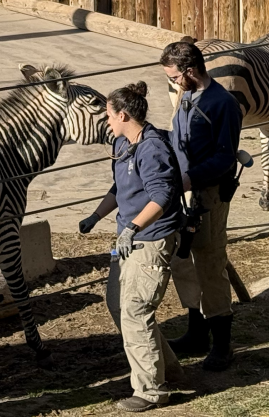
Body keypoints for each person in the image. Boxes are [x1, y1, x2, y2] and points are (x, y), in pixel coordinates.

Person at [77, 82, 182, 411]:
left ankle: (151, 390)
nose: (106, 121)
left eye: (108, 115)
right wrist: (95, 217)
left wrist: (134, 227)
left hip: (149, 240)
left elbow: (162, 196)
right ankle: (170, 371)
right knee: (117, 303)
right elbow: (118, 186)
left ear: (123, 115)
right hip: (127, 238)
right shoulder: (124, 143)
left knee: (136, 311)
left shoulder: (152, 148)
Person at [161, 39, 243, 372]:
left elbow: (225, 156)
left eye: (174, 77)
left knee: (209, 262)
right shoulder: (186, 96)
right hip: (184, 191)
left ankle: (222, 344)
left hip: (207, 193)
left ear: (190, 71)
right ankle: (197, 331)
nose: (173, 83)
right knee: (185, 261)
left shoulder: (222, 103)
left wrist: (190, 178)